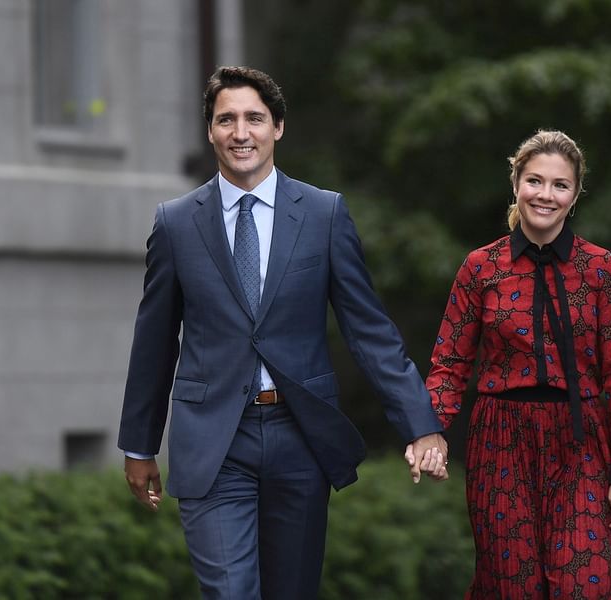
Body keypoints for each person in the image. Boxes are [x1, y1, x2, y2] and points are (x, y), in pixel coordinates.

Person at [118, 66, 448, 600]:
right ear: (210, 131)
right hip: (214, 440)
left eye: (254, 118)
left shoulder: (323, 214)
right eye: (226, 119)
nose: (240, 132)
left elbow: (369, 331)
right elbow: (153, 340)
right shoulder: (176, 223)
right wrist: (139, 443)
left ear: (278, 128)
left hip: (300, 435)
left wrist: (419, 423)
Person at [425, 130, 611, 599]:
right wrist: (430, 430)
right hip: (501, 441)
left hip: (582, 442)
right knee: (511, 588)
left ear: (574, 195)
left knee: (581, 587)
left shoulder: (602, 269)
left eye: (559, 185)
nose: (545, 194)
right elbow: (449, 362)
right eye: (535, 181)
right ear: (516, 184)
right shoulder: (481, 267)